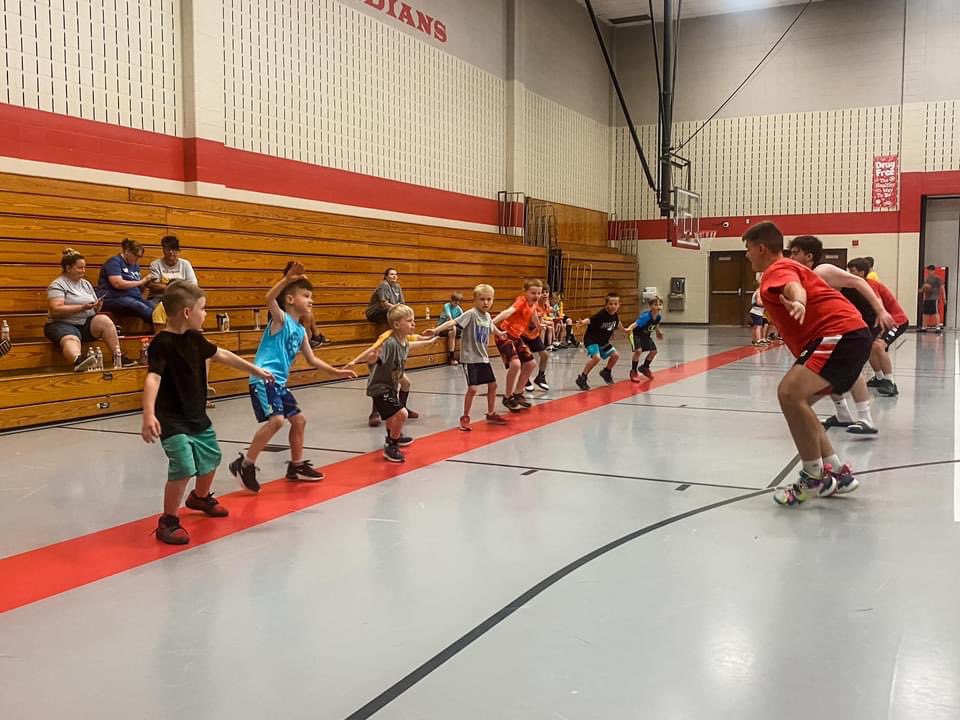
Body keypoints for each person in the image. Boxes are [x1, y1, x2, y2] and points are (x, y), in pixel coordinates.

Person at [745, 222, 874, 506]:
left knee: (789, 394)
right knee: (800, 406)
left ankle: (813, 476)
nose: (747, 255)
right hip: (849, 333)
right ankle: (837, 472)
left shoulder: (775, 271)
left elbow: (793, 288)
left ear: (761, 248)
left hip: (839, 333)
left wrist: (799, 301)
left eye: (748, 249)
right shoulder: (790, 267)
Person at [141, 281, 275, 545]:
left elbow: (221, 354)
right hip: (172, 419)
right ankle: (168, 520)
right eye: (203, 309)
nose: (206, 314)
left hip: (197, 415)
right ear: (187, 312)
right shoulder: (162, 343)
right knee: (183, 468)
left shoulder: (194, 338)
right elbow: (153, 378)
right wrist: (148, 414)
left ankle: (199, 498)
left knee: (211, 458)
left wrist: (255, 370)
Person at [228, 262, 357, 493]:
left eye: (311, 297)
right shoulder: (280, 320)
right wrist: (287, 280)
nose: (311, 300)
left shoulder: (299, 330)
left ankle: (296, 466)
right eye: (306, 296)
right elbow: (269, 298)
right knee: (276, 421)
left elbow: (312, 360)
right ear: (289, 299)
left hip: (279, 384)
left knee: (299, 420)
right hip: (263, 379)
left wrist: (337, 371)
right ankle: (245, 464)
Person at [787, 235, 894, 435]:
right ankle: (843, 414)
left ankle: (866, 418)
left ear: (809, 256)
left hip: (860, 320)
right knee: (831, 369)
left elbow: (858, 282)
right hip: (836, 325)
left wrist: (881, 310)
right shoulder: (801, 276)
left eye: (795, 253)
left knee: (851, 368)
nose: (791, 257)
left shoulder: (822, 271)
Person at [353, 304, 439, 462]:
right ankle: (391, 445)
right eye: (409, 321)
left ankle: (393, 437)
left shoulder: (403, 342)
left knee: (392, 417)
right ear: (397, 324)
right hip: (379, 388)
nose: (413, 324)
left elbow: (411, 345)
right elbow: (375, 360)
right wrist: (372, 359)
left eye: (413, 320)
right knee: (401, 413)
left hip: (391, 386)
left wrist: (428, 342)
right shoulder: (390, 343)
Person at [425, 284, 509, 432]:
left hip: (483, 358)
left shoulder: (487, 316)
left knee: (493, 385)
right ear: (474, 300)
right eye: (482, 299)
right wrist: (436, 330)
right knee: (473, 388)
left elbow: (491, 327)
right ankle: (465, 417)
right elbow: (453, 322)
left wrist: (500, 333)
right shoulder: (471, 314)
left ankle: (491, 413)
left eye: (489, 299)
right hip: (470, 359)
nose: (486, 303)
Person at [45, 248, 135, 371]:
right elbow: (56, 309)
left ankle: (117, 356)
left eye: (84, 267)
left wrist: (97, 307)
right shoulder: (57, 285)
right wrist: (81, 307)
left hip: (85, 322)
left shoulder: (85, 284)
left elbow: (92, 309)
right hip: (62, 323)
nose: (83, 271)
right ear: (68, 268)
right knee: (71, 338)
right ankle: (78, 361)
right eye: (80, 268)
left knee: (104, 320)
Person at [847, 257, 910, 397]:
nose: (849, 274)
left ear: (862, 273)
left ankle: (890, 383)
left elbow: (878, 304)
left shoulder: (870, 285)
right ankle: (879, 377)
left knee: (878, 346)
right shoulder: (854, 288)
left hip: (895, 321)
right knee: (867, 346)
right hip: (876, 321)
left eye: (852, 271)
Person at [491, 279, 542, 412]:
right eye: (533, 293)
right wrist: (491, 322)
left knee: (531, 364)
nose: (536, 296)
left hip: (516, 337)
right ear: (525, 292)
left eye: (538, 293)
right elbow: (507, 312)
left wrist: (539, 325)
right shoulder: (521, 301)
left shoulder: (534, 304)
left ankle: (518, 393)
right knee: (516, 364)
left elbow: (534, 314)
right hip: (504, 335)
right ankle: (507, 397)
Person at [364, 268, 406, 424]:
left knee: (402, 382)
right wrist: (397, 309)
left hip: (393, 313)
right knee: (380, 381)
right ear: (386, 276)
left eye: (396, 274)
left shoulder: (398, 287)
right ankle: (375, 412)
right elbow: (383, 303)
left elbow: (402, 303)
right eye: (391, 274)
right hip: (377, 312)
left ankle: (402, 407)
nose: (394, 276)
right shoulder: (383, 285)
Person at [97, 238, 157, 324]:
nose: (137, 259)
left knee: (156, 308)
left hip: (134, 297)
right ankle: (162, 329)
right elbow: (117, 284)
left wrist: (145, 284)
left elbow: (139, 289)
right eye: (136, 256)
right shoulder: (114, 262)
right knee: (140, 307)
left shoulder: (135, 266)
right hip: (114, 298)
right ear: (127, 251)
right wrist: (141, 281)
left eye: (139, 257)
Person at [575, 292, 625, 390]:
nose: (613, 306)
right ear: (606, 305)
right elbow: (590, 320)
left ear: (619, 305)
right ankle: (582, 378)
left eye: (615, 304)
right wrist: (582, 323)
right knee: (596, 358)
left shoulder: (615, 315)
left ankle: (606, 371)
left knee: (615, 355)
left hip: (603, 341)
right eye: (610, 304)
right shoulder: (601, 314)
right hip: (591, 340)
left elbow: (618, 322)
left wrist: (624, 330)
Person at [147, 235, 198, 327]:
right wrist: (178, 287)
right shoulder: (155, 264)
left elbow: (193, 285)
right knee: (158, 309)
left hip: (181, 298)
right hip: (159, 297)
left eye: (173, 249)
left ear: (178, 250)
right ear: (163, 250)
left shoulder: (185, 264)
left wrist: (168, 287)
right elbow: (153, 285)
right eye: (167, 249)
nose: (171, 252)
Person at [282, 262, 330, 348]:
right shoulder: (284, 286)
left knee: (308, 313)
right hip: (281, 315)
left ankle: (314, 336)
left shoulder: (297, 286)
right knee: (306, 315)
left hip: (291, 313)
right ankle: (306, 341)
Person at [626, 297, 664, 381]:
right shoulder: (646, 317)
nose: (658, 306)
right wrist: (629, 329)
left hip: (646, 336)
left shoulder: (658, 317)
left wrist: (658, 332)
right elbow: (635, 324)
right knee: (638, 351)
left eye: (660, 304)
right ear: (650, 306)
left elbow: (656, 324)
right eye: (656, 304)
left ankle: (645, 367)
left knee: (654, 351)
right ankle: (633, 371)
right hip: (636, 335)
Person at [523, 292, 551, 392]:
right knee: (527, 358)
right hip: (523, 334)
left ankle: (540, 377)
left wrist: (543, 323)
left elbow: (541, 318)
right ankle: (525, 379)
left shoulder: (546, 306)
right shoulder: (532, 305)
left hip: (534, 335)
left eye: (546, 292)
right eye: (541, 292)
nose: (544, 294)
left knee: (545, 355)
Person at [437, 292, 464, 365]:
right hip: (442, 328)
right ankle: (451, 357)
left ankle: (463, 355)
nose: (457, 303)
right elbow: (450, 319)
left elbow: (464, 319)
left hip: (451, 329)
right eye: (455, 301)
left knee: (463, 330)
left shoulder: (459, 309)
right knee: (453, 328)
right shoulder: (447, 306)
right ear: (451, 300)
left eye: (458, 302)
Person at [919, 265, 945, 334]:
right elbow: (925, 288)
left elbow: (942, 287)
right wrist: (921, 290)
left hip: (934, 298)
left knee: (935, 313)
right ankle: (924, 327)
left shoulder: (937, 279)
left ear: (933, 271)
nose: (929, 272)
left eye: (930, 270)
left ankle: (938, 327)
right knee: (925, 313)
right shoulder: (927, 279)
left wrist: (944, 298)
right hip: (927, 299)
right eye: (928, 271)